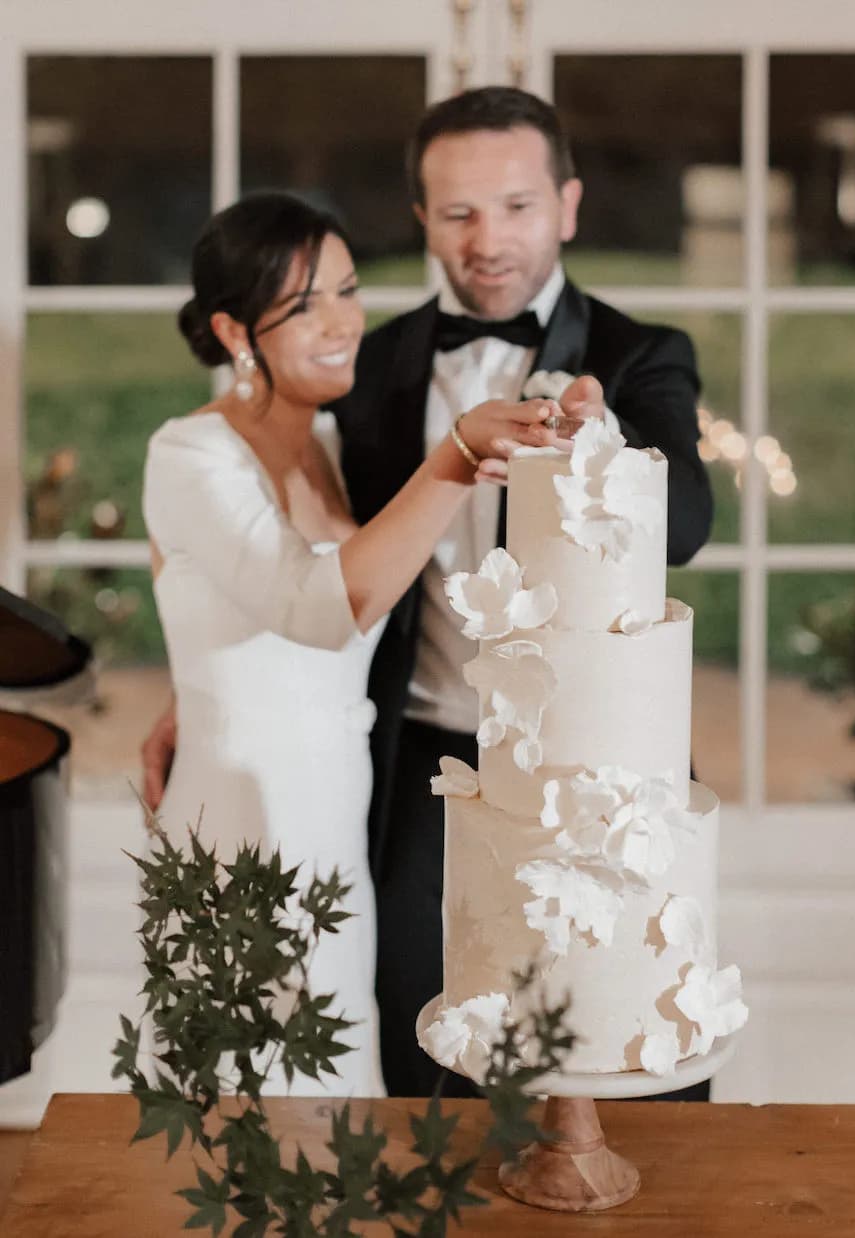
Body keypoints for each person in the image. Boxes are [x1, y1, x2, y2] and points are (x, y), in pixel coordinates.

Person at [143, 86, 714, 1099]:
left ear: (567, 206)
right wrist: (201, 686)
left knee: (621, 1051)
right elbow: (295, 572)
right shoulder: (361, 370)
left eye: (514, 206)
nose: (485, 238)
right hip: (413, 760)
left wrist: (601, 446)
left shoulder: (636, 355)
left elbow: (684, 527)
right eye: (456, 213)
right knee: (408, 1059)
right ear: (421, 220)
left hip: (595, 770)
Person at [141, 190, 567, 1098]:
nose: (341, 324)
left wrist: (188, 686)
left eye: (346, 290)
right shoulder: (189, 455)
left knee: (332, 1116)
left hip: (338, 827)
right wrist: (455, 454)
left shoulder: (331, 441)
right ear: (232, 329)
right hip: (239, 829)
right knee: (237, 1116)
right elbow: (318, 606)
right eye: (303, 307)